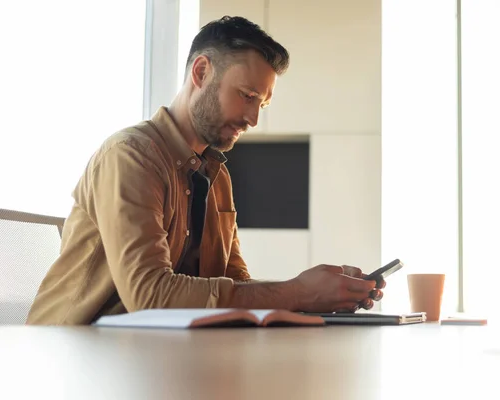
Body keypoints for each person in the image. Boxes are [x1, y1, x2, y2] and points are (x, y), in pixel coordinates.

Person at [27, 16, 384, 325]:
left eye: (262, 103)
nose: (254, 118)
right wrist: (297, 293)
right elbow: (149, 296)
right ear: (201, 72)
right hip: (74, 355)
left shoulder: (217, 176)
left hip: (154, 356)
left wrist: (322, 294)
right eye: (246, 95)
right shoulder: (131, 156)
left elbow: (235, 283)